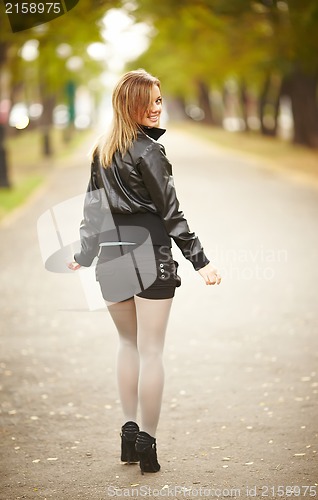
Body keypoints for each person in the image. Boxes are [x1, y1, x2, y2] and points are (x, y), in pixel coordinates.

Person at [67, 69, 221, 474]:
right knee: (151, 351)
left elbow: (92, 210)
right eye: (151, 101)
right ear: (131, 104)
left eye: (159, 100)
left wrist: (85, 255)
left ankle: (127, 435)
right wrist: (200, 261)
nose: (158, 108)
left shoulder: (101, 150)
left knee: (127, 346)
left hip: (113, 259)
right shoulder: (149, 151)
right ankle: (146, 441)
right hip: (150, 255)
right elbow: (171, 213)